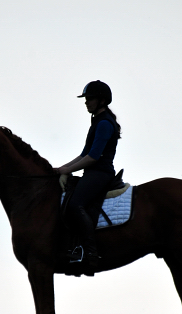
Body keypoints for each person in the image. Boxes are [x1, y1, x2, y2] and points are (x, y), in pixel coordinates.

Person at [54, 80, 121, 270]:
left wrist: (67, 171)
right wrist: (60, 169)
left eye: (89, 98)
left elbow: (92, 157)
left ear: (101, 100)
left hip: (101, 173)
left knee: (75, 204)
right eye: (86, 99)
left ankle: (89, 251)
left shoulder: (105, 124)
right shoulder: (97, 121)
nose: (86, 102)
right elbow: (83, 154)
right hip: (92, 172)